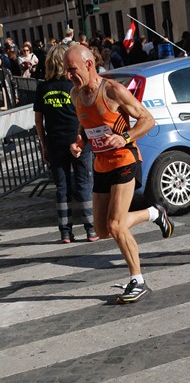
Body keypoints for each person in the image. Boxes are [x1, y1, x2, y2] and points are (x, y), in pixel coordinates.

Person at [64, 44, 174, 303]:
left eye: (72, 70)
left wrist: (124, 137)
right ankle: (154, 213)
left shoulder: (113, 91)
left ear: (89, 65)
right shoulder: (75, 95)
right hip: (102, 164)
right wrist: (80, 143)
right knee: (103, 229)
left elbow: (147, 120)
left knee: (116, 224)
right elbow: (86, 124)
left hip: (125, 160)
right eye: (66, 71)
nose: (68, 75)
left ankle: (138, 280)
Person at [34, 45, 98, 243]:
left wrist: (44, 144)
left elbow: (38, 121)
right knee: (84, 183)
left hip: (55, 141)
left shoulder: (43, 88)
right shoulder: (74, 87)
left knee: (62, 187)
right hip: (78, 140)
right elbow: (83, 113)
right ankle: (91, 229)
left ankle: (65, 232)